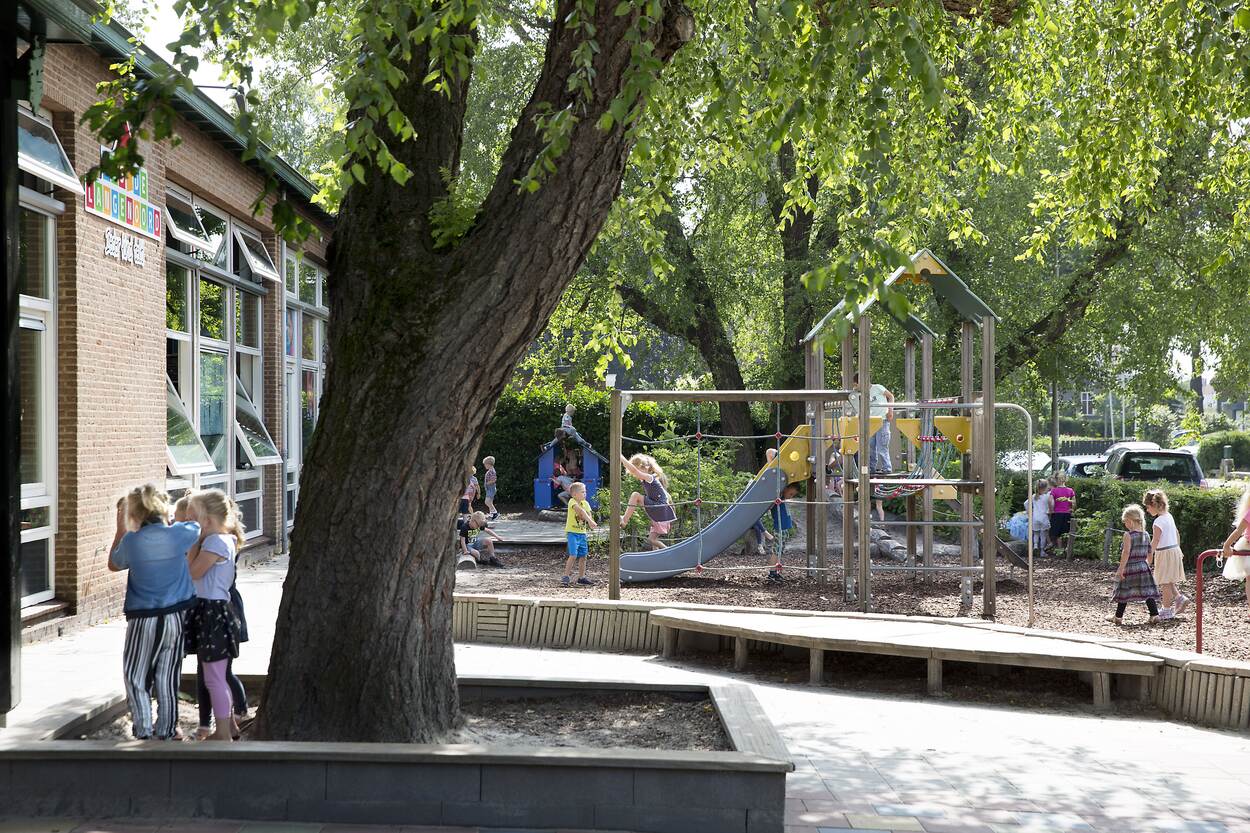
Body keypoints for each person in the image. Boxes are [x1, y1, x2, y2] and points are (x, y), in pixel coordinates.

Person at [108, 484, 200, 741]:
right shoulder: (180, 533)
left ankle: (144, 728)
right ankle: (168, 729)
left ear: (134, 514)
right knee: (168, 675)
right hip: (175, 617)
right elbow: (195, 525)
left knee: (136, 674)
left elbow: (114, 564)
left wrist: (121, 528)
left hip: (143, 618)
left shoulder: (131, 541)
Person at [184, 489, 245, 742]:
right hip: (213, 612)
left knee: (214, 678)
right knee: (216, 675)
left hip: (213, 614)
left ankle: (221, 733)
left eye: (192, 518)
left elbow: (193, 572)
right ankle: (229, 725)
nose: (188, 524)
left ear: (207, 520)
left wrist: (191, 543)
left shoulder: (214, 542)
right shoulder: (223, 540)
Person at [1106, 504, 1161, 625]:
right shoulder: (1146, 534)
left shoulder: (1128, 535)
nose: (1125, 524)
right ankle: (1154, 614)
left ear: (1130, 521)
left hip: (1130, 567)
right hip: (1143, 566)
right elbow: (1150, 551)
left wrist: (1121, 569)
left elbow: (1126, 553)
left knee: (1124, 592)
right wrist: (1147, 564)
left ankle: (1118, 617)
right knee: (1147, 591)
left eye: (1125, 521)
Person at [619, 453, 677, 550]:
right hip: (660, 509)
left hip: (659, 507)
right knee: (652, 540)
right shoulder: (646, 479)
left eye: (637, 471)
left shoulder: (650, 477)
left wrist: (621, 458)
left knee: (635, 495)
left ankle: (624, 520)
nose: (636, 475)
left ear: (645, 468)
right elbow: (634, 470)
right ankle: (658, 557)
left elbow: (634, 470)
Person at [1145, 488, 1187, 618]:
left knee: (1164, 582)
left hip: (1164, 553)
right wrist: (1178, 549)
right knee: (1168, 579)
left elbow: (1156, 540)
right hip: (1174, 550)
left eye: (1147, 507)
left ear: (1153, 505)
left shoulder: (1158, 522)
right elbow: (1177, 533)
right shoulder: (1169, 517)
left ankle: (1166, 609)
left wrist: (1149, 554)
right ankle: (1180, 598)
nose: (1147, 510)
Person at [1220, 486, 1250, 619]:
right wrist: (1226, 545)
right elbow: (1238, 531)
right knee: (1249, 579)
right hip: (1248, 546)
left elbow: (1239, 531)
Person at [561, 481, 598, 586]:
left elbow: (589, 515)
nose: (585, 494)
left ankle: (581, 578)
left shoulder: (586, 503)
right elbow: (580, 512)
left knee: (583, 556)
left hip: (582, 533)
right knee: (573, 555)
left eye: (585, 492)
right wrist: (590, 521)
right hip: (572, 533)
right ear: (574, 494)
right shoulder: (572, 502)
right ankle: (566, 576)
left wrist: (591, 520)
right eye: (582, 492)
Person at [1049, 471, 1076, 554]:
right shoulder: (1070, 490)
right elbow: (1074, 502)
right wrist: (1072, 509)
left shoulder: (1054, 491)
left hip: (1057, 514)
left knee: (1058, 533)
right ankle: (1067, 549)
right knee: (1067, 531)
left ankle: (1060, 549)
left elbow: (1050, 502)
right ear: (1065, 479)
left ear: (1056, 480)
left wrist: (1051, 511)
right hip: (1067, 513)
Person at [1029, 479, 1053, 555]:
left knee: (1036, 534)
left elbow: (1025, 503)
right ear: (1045, 488)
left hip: (1035, 518)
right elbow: (1051, 500)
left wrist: (1028, 511)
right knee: (1043, 535)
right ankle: (1042, 551)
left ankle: (1035, 545)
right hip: (1044, 518)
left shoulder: (1033, 496)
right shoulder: (1047, 496)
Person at [482, 456, 499, 520]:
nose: (485, 466)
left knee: (487, 502)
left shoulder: (492, 471)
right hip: (489, 489)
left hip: (491, 488)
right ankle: (492, 514)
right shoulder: (490, 470)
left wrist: (487, 483)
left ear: (489, 464)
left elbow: (494, 479)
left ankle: (495, 513)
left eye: (485, 464)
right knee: (490, 502)